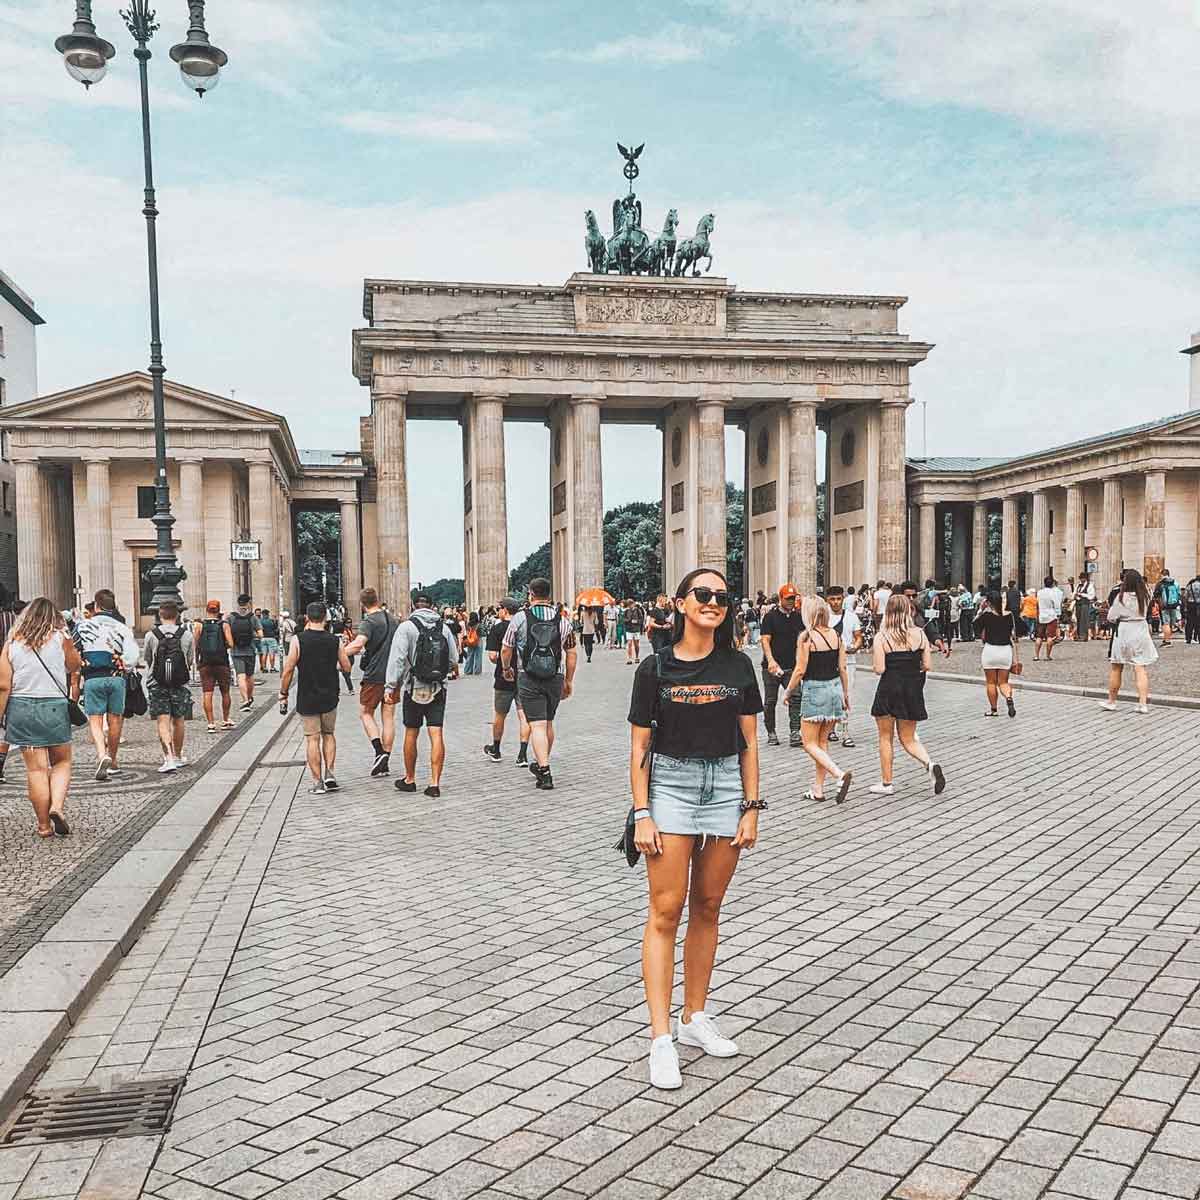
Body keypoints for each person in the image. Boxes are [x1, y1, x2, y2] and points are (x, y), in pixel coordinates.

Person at [628, 567, 763, 1090]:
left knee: (708, 906)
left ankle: (694, 1017)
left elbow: (748, 741)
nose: (712, 602)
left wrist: (751, 806)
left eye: (721, 597)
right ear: (681, 604)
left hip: (727, 786)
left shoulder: (739, 665)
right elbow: (640, 747)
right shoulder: (653, 668)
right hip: (672, 788)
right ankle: (660, 1038)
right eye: (702, 595)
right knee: (666, 910)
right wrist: (643, 812)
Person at [0, 598, 83, 837]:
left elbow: (4, 685)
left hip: (22, 707)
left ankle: (44, 826)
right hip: (53, 706)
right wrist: (65, 638)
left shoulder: (12, 644)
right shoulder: (60, 638)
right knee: (61, 762)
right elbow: (75, 665)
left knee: (36, 770)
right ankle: (57, 806)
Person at [501, 578, 577, 791]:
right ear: (549, 595)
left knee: (537, 725)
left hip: (528, 676)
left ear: (531, 594)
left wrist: (507, 669)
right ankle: (542, 761)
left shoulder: (519, 618)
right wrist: (569, 680)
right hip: (554, 677)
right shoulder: (563, 621)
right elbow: (571, 653)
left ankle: (544, 771)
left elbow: (506, 648)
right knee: (548, 722)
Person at [869, 594, 945, 797]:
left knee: (886, 737)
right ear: (909, 611)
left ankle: (887, 783)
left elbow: (879, 668)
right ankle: (929, 764)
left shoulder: (882, 636)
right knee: (908, 738)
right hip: (912, 689)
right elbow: (928, 665)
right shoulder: (920, 634)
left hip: (889, 688)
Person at [385, 591, 459, 798]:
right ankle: (434, 783)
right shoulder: (443, 627)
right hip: (438, 688)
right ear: (432, 606)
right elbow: (454, 659)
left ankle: (410, 779)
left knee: (411, 732)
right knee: (436, 733)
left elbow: (397, 660)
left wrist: (390, 687)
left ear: (413, 605)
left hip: (413, 687)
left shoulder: (406, 627)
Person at [781, 597, 852, 804]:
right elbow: (842, 668)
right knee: (822, 743)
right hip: (834, 689)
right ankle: (818, 789)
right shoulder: (836, 636)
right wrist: (846, 695)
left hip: (814, 690)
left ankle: (839, 775)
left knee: (808, 743)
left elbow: (800, 669)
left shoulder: (806, 637)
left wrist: (787, 692)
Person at [280, 601, 350, 794]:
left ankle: (317, 782)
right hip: (330, 694)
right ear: (326, 618)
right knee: (329, 734)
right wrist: (332, 666)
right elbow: (346, 667)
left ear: (308, 618)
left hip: (307, 693)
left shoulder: (298, 640)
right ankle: (330, 773)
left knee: (312, 738)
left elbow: (288, 670)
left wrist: (283, 693)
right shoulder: (335, 640)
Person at [76, 588, 139, 781]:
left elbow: (73, 651)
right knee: (115, 720)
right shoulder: (121, 628)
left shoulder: (84, 626)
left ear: (95, 605)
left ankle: (102, 754)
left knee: (95, 720)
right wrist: (124, 666)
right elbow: (132, 657)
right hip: (116, 678)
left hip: (93, 678)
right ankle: (113, 761)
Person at [342, 587, 398, 777]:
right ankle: (385, 762)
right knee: (388, 717)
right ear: (377, 599)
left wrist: (339, 653)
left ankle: (378, 751)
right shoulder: (392, 620)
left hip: (374, 675)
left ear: (362, 604)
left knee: (366, 712)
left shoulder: (369, 622)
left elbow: (358, 644)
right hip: (393, 675)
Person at [143, 601, 195, 774]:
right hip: (180, 683)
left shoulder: (152, 635)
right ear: (177, 615)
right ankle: (179, 756)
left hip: (157, 683)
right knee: (179, 720)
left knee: (163, 721)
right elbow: (190, 660)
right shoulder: (186, 635)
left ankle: (169, 758)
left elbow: (148, 659)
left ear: (160, 614)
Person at [1100, 569, 1157, 714]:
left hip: (1124, 630)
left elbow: (1111, 617)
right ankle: (1142, 704)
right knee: (1140, 668)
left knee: (1116, 667)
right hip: (1140, 630)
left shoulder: (1121, 597)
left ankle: (1112, 701)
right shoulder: (1146, 595)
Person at [484, 598, 531, 765]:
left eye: (499, 608)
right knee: (524, 715)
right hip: (524, 675)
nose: (498, 611)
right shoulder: (524, 625)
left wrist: (503, 664)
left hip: (504, 676)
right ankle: (523, 755)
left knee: (500, 714)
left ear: (504, 610)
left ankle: (496, 750)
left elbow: (492, 656)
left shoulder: (497, 629)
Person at [759, 583, 805, 747]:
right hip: (771, 667)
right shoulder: (770, 617)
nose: (792, 601)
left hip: (791, 667)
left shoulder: (797, 617)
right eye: (789, 598)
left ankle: (794, 731)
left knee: (796, 698)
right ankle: (771, 732)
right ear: (781, 598)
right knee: (770, 700)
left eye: (794, 598)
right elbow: (765, 640)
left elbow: (802, 638)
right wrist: (770, 660)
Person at [975, 588, 1020, 717]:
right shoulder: (1010, 615)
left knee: (990, 682)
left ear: (988, 603)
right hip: (1005, 650)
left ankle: (993, 710)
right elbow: (1023, 629)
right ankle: (1008, 698)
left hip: (990, 650)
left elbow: (976, 627)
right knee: (1004, 682)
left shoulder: (986, 616)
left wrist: (981, 610)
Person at [826, 586, 862, 747]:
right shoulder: (823, 617)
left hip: (848, 661)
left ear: (843, 599)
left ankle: (845, 731)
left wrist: (855, 646)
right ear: (827, 600)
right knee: (831, 697)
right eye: (832, 599)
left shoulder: (852, 617)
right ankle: (831, 727)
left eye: (838, 599)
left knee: (846, 696)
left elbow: (858, 636)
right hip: (828, 662)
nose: (835, 602)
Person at [193, 600, 235, 734]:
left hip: (205, 663)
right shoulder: (224, 624)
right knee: (225, 692)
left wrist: (196, 660)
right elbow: (231, 643)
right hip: (222, 662)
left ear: (207, 610)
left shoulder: (199, 625)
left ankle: (210, 723)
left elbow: (195, 644)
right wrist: (223, 646)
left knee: (207, 692)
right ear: (218, 610)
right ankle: (225, 719)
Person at [227, 595, 261, 711]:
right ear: (248, 604)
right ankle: (250, 697)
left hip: (236, 651)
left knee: (240, 676)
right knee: (249, 676)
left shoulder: (231, 617)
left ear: (238, 603)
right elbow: (261, 635)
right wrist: (253, 635)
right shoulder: (253, 617)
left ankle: (245, 700)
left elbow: (226, 632)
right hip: (250, 650)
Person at [1034, 576, 1061, 661]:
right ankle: (1047, 655)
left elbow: (1037, 604)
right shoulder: (1053, 593)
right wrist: (1058, 614)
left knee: (1039, 637)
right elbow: (1056, 604)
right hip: (1051, 616)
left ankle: (1036, 656)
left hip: (1041, 615)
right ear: (1052, 583)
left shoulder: (1039, 592)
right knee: (1050, 637)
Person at [1154, 568, 1181, 647]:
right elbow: (1179, 594)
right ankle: (1167, 638)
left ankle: (1167, 641)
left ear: (1162, 574)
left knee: (1165, 623)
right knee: (1171, 624)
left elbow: (1155, 595)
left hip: (1164, 606)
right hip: (1174, 605)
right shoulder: (1175, 582)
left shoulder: (1160, 583)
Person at [1074, 574, 1096, 641]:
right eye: (1080, 578)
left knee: (1084, 620)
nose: (1081, 580)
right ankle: (1078, 635)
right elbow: (1075, 592)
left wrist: (1082, 594)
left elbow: (1091, 596)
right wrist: (1075, 595)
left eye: (1082, 578)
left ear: (1085, 578)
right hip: (1078, 603)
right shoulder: (1078, 585)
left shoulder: (1090, 585)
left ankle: (1083, 636)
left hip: (1085, 603)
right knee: (1078, 619)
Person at [625, 598, 645, 664]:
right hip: (629, 629)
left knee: (636, 644)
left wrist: (637, 621)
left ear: (633, 604)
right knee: (629, 643)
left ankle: (637, 657)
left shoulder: (638, 610)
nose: (630, 606)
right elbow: (624, 619)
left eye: (631, 604)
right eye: (629, 605)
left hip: (636, 629)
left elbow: (641, 619)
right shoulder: (626, 611)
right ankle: (629, 658)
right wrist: (629, 620)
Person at [1185, 574, 1200, 644]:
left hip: (1191, 605)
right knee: (1198, 622)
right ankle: (1198, 638)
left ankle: (1188, 638)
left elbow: (1185, 596)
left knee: (1190, 622)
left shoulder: (1189, 586)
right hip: (1199, 605)